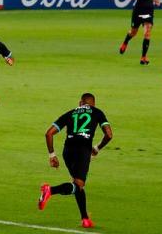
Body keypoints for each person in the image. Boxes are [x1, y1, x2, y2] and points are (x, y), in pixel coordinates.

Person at [38, 92, 112, 230]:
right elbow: (109, 134)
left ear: (80, 103)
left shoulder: (71, 112)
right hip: (82, 150)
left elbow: (49, 133)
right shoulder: (97, 112)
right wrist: (96, 148)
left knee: (78, 184)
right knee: (78, 184)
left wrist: (52, 155)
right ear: (93, 103)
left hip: (68, 151)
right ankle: (50, 190)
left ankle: (85, 219)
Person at [119, 0, 161, 65]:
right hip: (138, 11)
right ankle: (125, 42)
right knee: (133, 32)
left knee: (147, 33)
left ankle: (143, 57)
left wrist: (155, 0)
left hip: (149, 11)